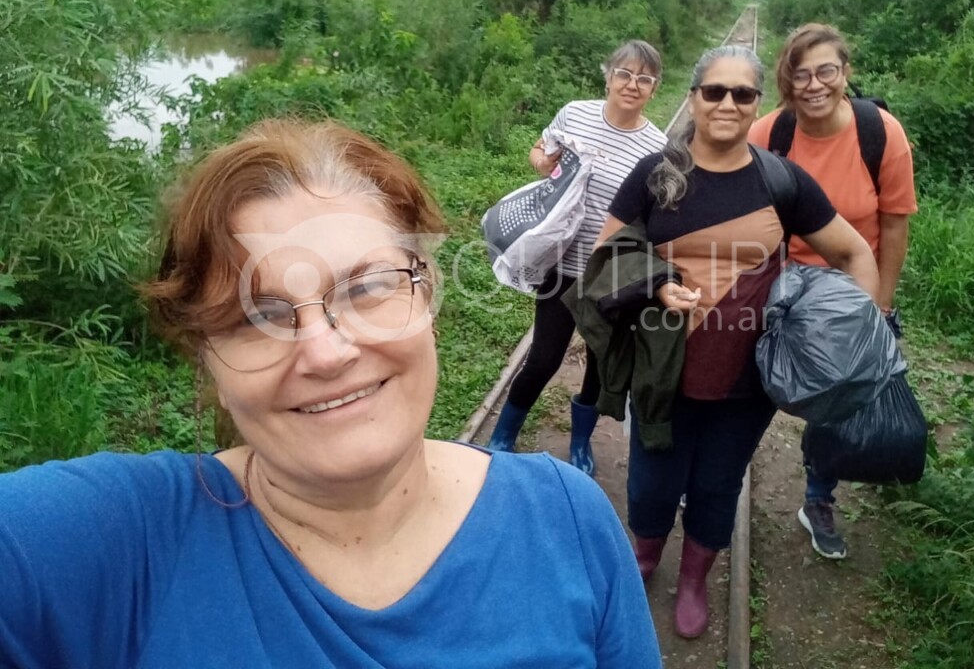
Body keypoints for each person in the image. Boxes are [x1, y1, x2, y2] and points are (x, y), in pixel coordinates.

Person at [0, 120, 662, 668]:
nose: (325, 350)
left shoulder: (570, 526)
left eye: (367, 286)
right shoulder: (111, 550)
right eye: (254, 315)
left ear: (426, 292)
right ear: (208, 364)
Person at [596, 45, 880, 638]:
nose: (728, 103)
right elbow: (605, 257)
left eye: (743, 93)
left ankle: (696, 579)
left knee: (718, 483)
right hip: (662, 370)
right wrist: (656, 286)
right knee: (651, 481)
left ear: (757, 104)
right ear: (694, 98)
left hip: (747, 378)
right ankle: (643, 560)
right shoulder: (656, 175)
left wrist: (858, 341)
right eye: (715, 91)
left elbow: (853, 251)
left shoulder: (781, 180)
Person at [749, 23, 918, 561]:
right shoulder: (769, 134)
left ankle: (818, 497)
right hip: (779, 287)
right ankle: (716, 476)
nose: (814, 84)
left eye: (826, 70)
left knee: (837, 403)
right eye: (800, 74)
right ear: (786, 80)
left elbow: (894, 225)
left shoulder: (879, 133)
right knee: (748, 388)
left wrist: (880, 306)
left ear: (845, 72)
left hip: (851, 291)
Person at [487, 40, 668, 474]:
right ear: (608, 75)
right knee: (545, 357)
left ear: (654, 88)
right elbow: (539, 150)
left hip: (607, 275)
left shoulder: (657, 147)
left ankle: (581, 442)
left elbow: (653, 214)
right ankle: (503, 434)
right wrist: (545, 164)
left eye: (644, 79)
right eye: (624, 74)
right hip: (559, 265)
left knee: (598, 363)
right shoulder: (575, 114)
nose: (632, 84)